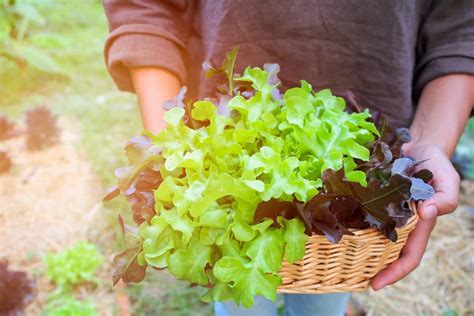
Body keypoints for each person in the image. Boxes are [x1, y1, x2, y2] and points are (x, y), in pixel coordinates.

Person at [102, 1, 474, 315]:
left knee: (325, 294)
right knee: (242, 299)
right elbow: (146, 7)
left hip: (359, 187)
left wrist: (430, 146)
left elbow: (461, 20)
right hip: (225, 154)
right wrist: (171, 146)